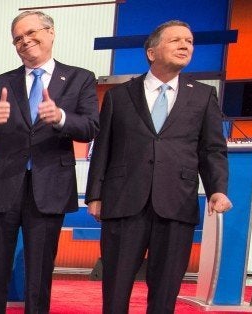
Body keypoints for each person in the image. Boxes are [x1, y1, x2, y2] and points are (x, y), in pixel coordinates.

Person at [85, 20, 233, 313]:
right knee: (115, 286)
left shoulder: (203, 96)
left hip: (177, 203)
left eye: (189, 41)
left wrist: (217, 189)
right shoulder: (119, 95)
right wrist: (95, 195)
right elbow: (103, 149)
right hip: (124, 201)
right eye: (176, 40)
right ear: (151, 52)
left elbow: (212, 149)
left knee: (166, 289)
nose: (185, 46)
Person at [0, 11, 99, 313]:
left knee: (39, 272)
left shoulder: (80, 78)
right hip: (2, 188)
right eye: (18, 39)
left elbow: (91, 127)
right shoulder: (0, 82)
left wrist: (62, 117)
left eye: (31, 33)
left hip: (50, 188)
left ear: (51, 32)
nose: (25, 42)